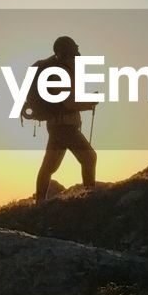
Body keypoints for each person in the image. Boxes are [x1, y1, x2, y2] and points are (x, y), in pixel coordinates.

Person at [35, 35, 99, 202]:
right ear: (69, 51)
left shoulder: (59, 70)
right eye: (75, 49)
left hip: (57, 126)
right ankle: (89, 196)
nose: (78, 52)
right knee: (89, 157)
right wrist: (89, 102)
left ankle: (39, 202)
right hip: (65, 127)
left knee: (49, 167)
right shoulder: (61, 72)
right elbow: (69, 103)